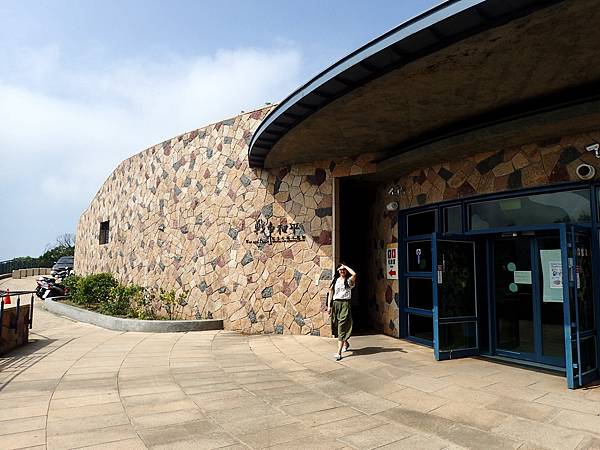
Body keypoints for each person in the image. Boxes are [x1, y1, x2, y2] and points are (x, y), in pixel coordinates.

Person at [327, 263, 357, 361]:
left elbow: (354, 274)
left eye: (343, 270)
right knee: (336, 324)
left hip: (345, 304)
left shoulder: (349, 281)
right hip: (336, 304)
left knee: (341, 325)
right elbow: (331, 292)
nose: (342, 271)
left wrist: (345, 266)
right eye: (340, 269)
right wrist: (329, 306)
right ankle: (346, 343)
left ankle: (338, 352)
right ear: (337, 271)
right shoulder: (335, 280)